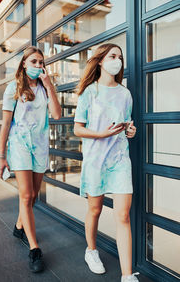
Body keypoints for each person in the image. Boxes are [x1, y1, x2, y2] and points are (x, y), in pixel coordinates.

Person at [74, 44, 138, 282]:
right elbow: (78, 129)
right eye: (112, 56)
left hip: (120, 160)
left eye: (120, 57)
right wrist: (101, 134)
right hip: (95, 161)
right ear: (100, 61)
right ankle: (91, 251)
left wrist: (130, 131)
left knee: (123, 216)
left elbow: (127, 123)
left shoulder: (125, 94)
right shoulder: (89, 92)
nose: (117, 61)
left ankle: (127, 275)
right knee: (95, 209)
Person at [0, 46, 61, 273]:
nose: (38, 66)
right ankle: (34, 249)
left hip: (40, 146)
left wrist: (49, 85)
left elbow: (57, 114)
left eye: (41, 62)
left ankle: (18, 226)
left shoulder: (45, 88)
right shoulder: (12, 88)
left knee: (33, 196)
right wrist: (1, 156)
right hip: (20, 145)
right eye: (33, 61)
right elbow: (5, 124)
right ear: (24, 63)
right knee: (25, 195)